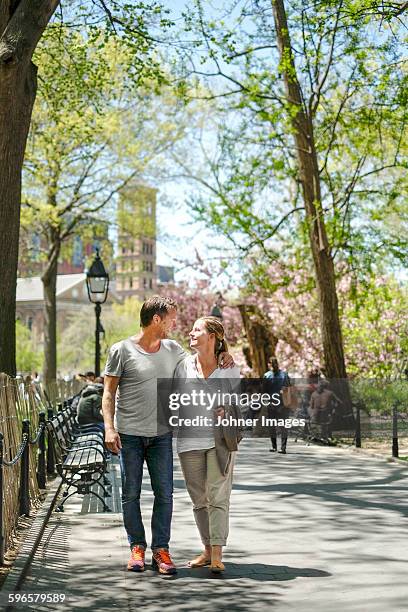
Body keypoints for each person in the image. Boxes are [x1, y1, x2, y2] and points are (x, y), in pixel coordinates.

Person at [102, 296, 234, 576]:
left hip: (162, 436)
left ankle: (161, 550)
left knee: (165, 494)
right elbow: (108, 393)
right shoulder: (121, 350)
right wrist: (109, 428)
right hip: (130, 435)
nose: (176, 324)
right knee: (130, 494)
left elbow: (203, 362)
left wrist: (224, 353)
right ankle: (137, 547)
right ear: (157, 319)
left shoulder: (174, 350)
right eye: (172, 318)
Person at [174, 317, 241, 574]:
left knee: (218, 496)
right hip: (189, 441)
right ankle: (206, 549)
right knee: (199, 498)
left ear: (212, 336)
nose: (191, 333)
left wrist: (228, 410)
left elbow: (241, 405)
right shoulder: (183, 366)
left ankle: (217, 553)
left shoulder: (229, 369)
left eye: (198, 330)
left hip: (220, 441)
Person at [263, 357, 290, 453]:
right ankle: (282, 448)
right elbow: (288, 389)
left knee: (272, 426)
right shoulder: (284, 375)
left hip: (273, 404)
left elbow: (264, 392)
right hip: (282, 404)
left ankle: (275, 447)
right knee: (283, 427)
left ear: (269, 364)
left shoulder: (267, 375)